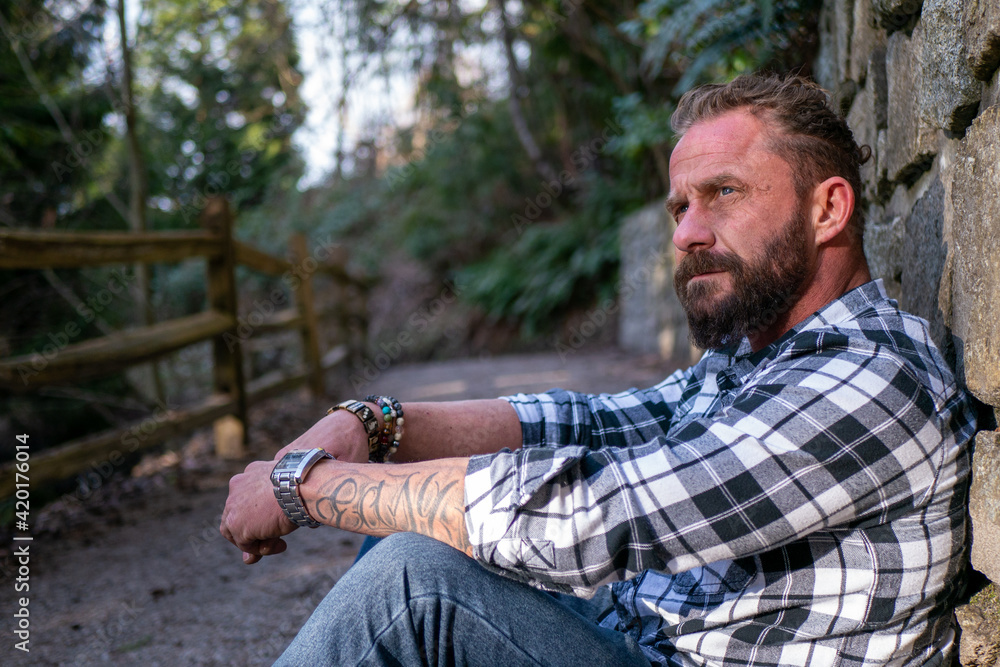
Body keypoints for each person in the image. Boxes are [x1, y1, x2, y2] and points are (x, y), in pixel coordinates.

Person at [220, 72, 977, 666]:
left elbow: (591, 519)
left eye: (724, 193)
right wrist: (375, 424)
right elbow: (594, 422)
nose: (686, 233)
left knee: (414, 583)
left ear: (827, 210)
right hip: (637, 635)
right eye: (679, 207)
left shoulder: (869, 378)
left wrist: (303, 487)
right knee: (408, 535)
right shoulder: (758, 356)